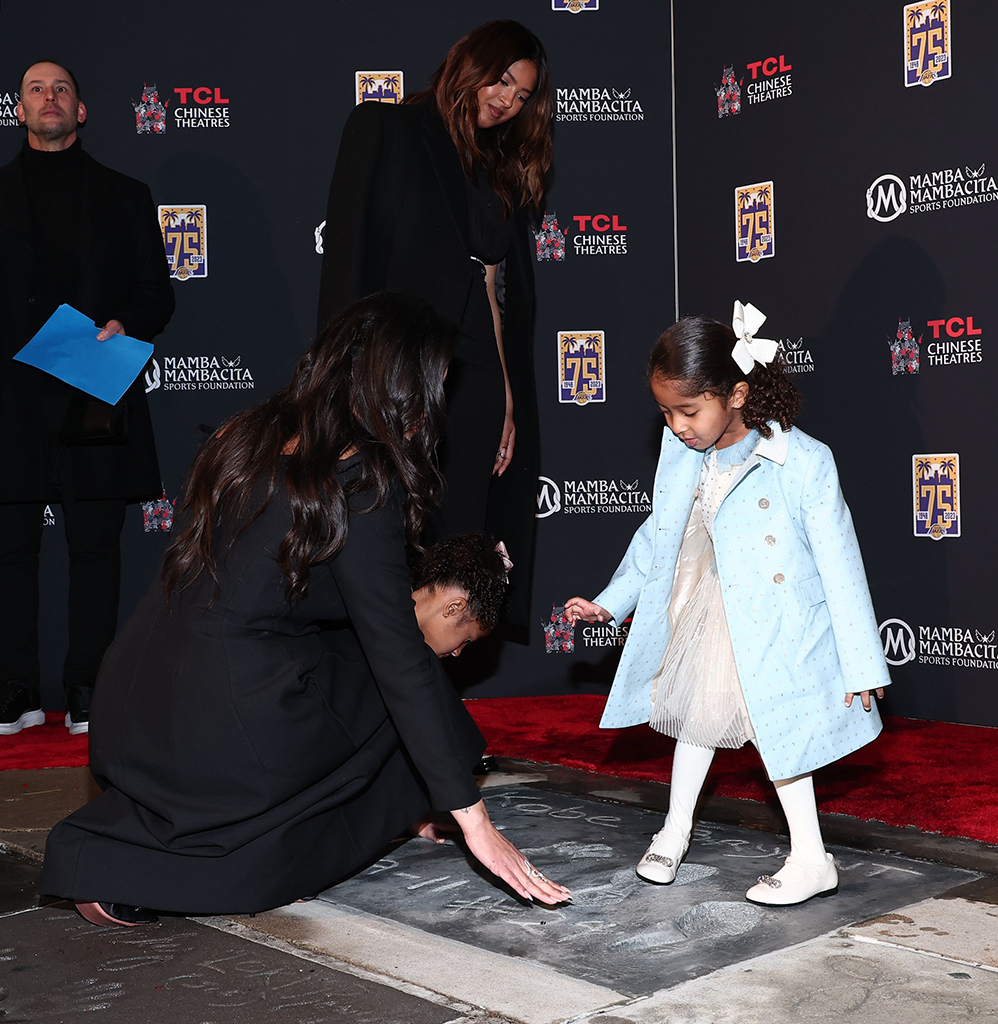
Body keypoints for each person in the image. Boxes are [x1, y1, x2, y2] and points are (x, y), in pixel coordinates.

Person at [39, 293, 570, 927]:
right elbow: (399, 655)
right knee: (406, 688)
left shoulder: (249, 434)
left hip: (131, 709)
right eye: (435, 386)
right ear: (402, 390)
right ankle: (185, 866)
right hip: (220, 733)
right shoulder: (361, 477)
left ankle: (119, 850)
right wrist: (474, 820)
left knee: (352, 671)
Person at [565, 304, 890, 906]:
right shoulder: (686, 454)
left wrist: (861, 662)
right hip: (716, 612)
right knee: (696, 717)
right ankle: (674, 831)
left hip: (782, 623)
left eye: (688, 410)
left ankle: (812, 857)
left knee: (782, 736)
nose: (676, 425)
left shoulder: (802, 461)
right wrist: (610, 603)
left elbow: (843, 564)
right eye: (665, 411)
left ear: (736, 393)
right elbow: (657, 538)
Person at [316, 20, 553, 630]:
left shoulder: (500, 170)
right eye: (502, 80)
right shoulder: (385, 128)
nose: (507, 100)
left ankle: (437, 685)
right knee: (385, 528)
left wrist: (504, 397)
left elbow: (493, 291)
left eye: (523, 95)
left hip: (473, 369)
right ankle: (383, 691)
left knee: (460, 531)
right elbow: (345, 268)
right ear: (467, 62)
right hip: (396, 367)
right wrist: (344, 386)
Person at [0, 61, 175, 737]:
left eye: (62, 89)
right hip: (11, 402)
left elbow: (157, 293)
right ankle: (14, 689)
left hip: (92, 393)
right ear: (19, 110)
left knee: (95, 548)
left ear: (82, 111)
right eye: (37, 89)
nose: (50, 97)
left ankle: (88, 687)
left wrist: (123, 326)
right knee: (9, 550)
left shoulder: (125, 195)